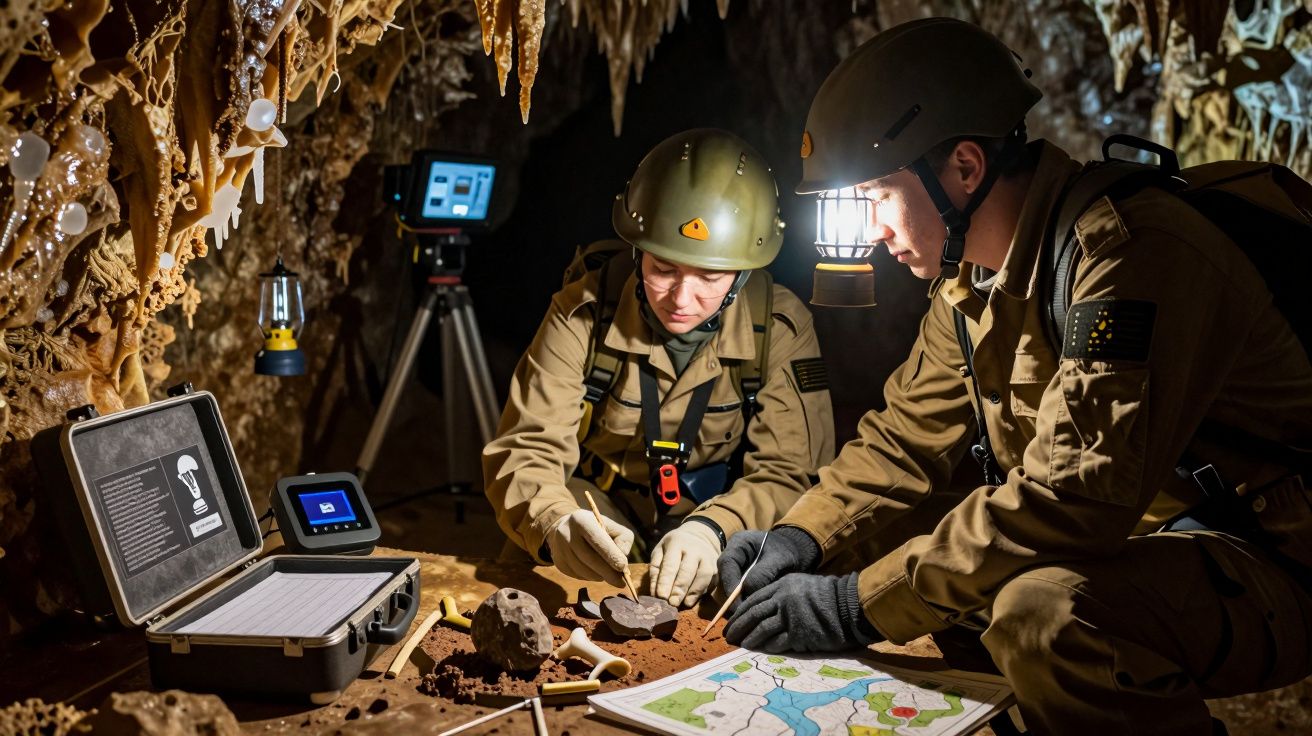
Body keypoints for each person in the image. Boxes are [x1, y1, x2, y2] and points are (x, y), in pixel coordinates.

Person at [717, 17, 1312, 735]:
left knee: (1040, 613)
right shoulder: (970, 285)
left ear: (964, 169)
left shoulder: (1131, 257)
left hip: (1268, 557)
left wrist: (852, 607)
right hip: (1147, 538)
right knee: (886, 538)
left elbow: (1071, 503)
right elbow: (903, 442)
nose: (870, 230)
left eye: (877, 194)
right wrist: (798, 538)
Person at [482, 128, 835, 608]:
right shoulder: (582, 312)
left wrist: (714, 529)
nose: (681, 299)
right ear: (636, 251)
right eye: (663, 269)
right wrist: (556, 522)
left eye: (710, 276)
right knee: (525, 586)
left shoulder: (779, 328)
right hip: (600, 509)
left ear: (742, 272)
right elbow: (527, 447)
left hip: (721, 518)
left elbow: (790, 473)